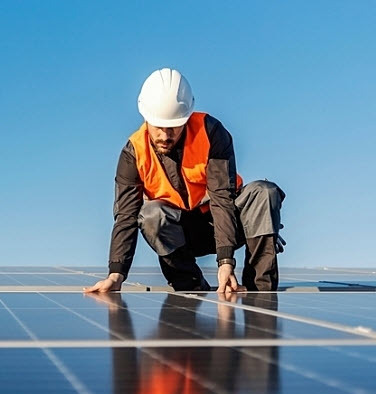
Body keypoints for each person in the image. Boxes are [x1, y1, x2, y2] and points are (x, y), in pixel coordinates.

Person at [85, 68, 285, 293]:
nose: (165, 135)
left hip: (228, 221)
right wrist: (116, 274)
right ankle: (190, 287)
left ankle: (260, 290)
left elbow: (222, 197)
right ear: (146, 118)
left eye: (173, 127)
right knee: (151, 215)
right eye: (159, 127)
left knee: (263, 193)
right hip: (181, 234)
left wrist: (226, 261)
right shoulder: (134, 153)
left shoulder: (211, 133)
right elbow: (125, 217)